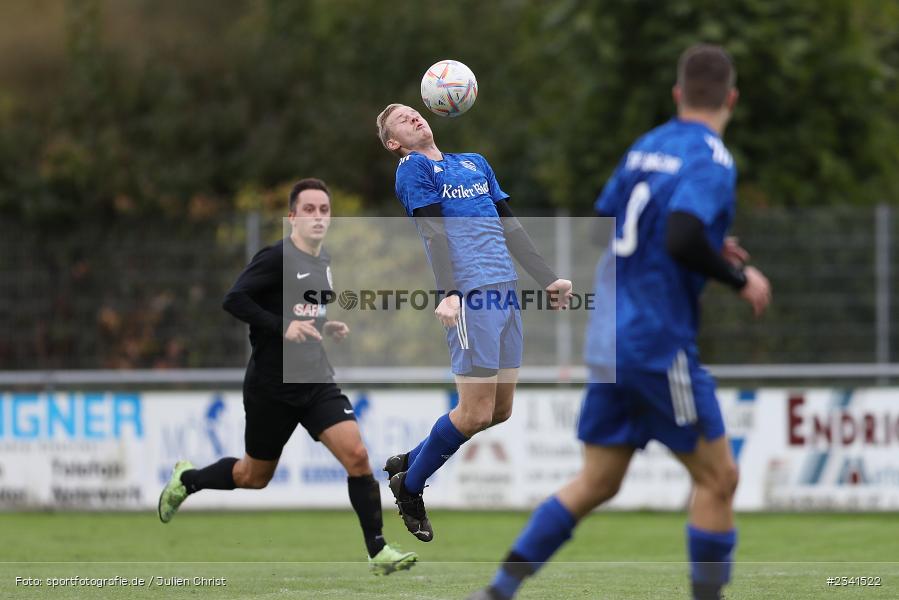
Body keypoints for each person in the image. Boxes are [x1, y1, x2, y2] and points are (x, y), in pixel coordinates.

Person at [469, 45, 772, 600]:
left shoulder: (646, 148)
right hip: (656, 342)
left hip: (609, 340)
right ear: (732, 98)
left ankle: (496, 592)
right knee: (719, 478)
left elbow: (600, 230)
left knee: (598, 482)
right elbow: (681, 236)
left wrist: (697, 242)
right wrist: (740, 278)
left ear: (678, 95)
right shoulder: (712, 158)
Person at [157, 178, 417, 576]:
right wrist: (282, 327)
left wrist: (326, 326)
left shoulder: (322, 261)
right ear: (292, 216)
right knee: (253, 476)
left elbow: (307, 311)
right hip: (271, 386)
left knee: (358, 456)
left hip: (314, 378)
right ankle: (188, 479)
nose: (318, 217)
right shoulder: (276, 257)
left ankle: (378, 550)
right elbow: (234, 299)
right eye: (309, 209)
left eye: (324, 210)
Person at [375, 104, 573, 542]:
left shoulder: (474, 162)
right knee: (475, 411)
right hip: (471, 296)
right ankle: (409, 488)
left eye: (414, 113)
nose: (414, 118)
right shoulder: (412, 169)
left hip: (506, 291)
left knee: (498, 412)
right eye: (402, 122)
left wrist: (548, 278)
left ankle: (411, 459)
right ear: (394, 144)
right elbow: (434, 232)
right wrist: (449, 294)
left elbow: (510, 226)